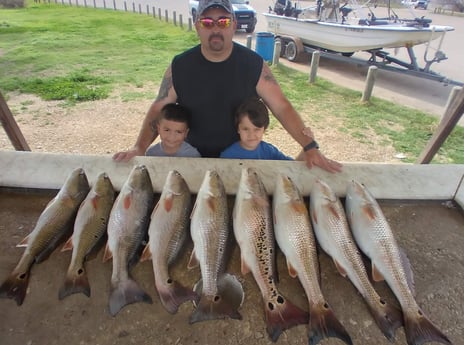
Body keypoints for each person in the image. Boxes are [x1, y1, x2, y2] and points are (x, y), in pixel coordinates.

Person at [113, 0, 342, 173]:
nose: (215, 29)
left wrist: (310, 146)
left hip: (239, 160)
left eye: (222, 21)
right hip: (193, 159)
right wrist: (139, 147)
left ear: (233, 25)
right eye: (207, 22)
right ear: (197, 26)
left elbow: (281, 106)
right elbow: (158, 108)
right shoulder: (180, 65)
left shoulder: (254, 64)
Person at [220, 97, 293, 160]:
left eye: (257, 129)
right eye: (245, 129)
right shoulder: (228, 156)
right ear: (238, 129)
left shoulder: (269, 151)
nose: (251, 135)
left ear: (264, 129)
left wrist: (304, 148)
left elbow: (291, 165)